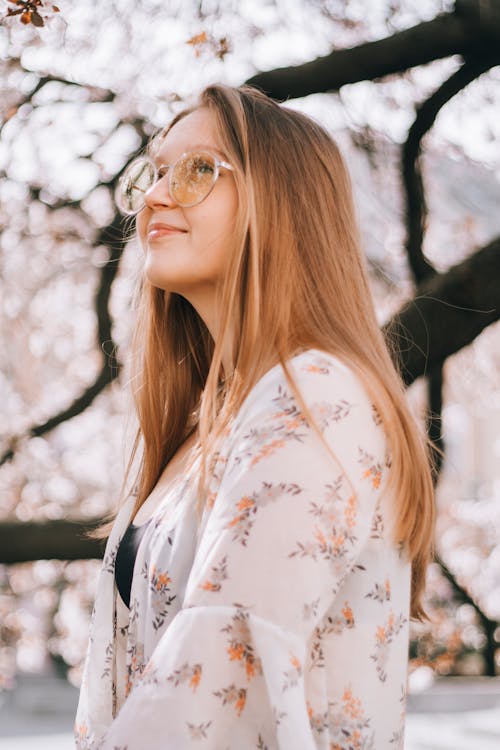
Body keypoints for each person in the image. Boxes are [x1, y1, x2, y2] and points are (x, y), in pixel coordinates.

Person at [74, 83, 437, 750]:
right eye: (156, 172)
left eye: (198, 170)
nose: (156, 194)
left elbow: (222, 664)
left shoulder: (317, 397)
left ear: (282, 205)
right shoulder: (198, 424)